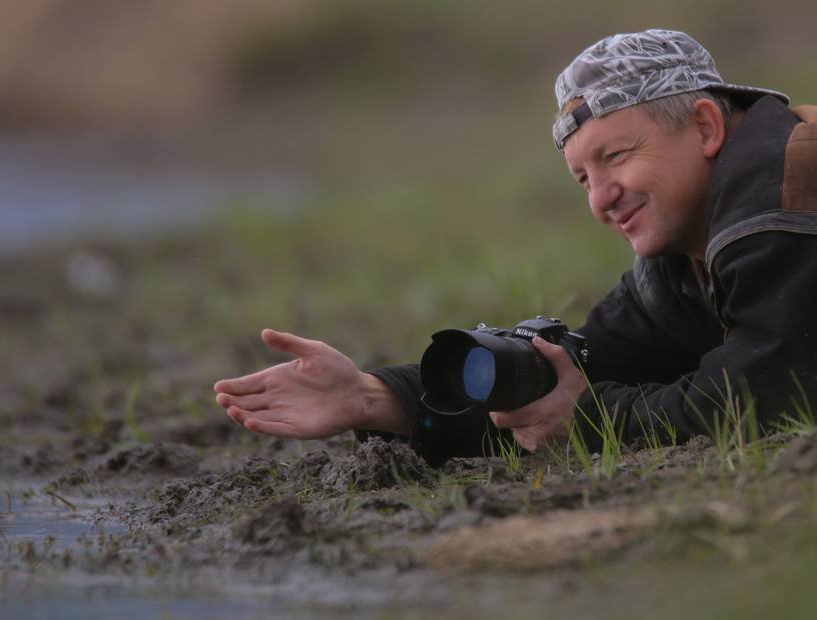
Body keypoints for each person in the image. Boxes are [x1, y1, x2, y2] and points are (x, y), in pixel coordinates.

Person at [214, 29, 817, 465]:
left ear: (707, 127)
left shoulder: (778, 193)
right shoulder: (685, 256)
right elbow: (569, 379)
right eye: (583, 178)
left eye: (616, 156)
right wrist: (372, 398)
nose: (601, 198)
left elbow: (765, 392)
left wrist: (587, 420)